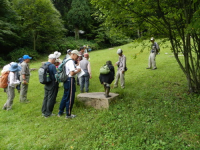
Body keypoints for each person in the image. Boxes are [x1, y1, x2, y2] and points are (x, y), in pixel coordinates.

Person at [58, 50, 81, 119]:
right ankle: (68, 114)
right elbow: (71, 73)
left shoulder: (66, 59)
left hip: (66, 80)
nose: (77, 58)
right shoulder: (71, 61)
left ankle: (60, 111)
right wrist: (78, 71)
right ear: (73, 54)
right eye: (77, 56)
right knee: (70, 97)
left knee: (65, 95)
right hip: (70, 79)